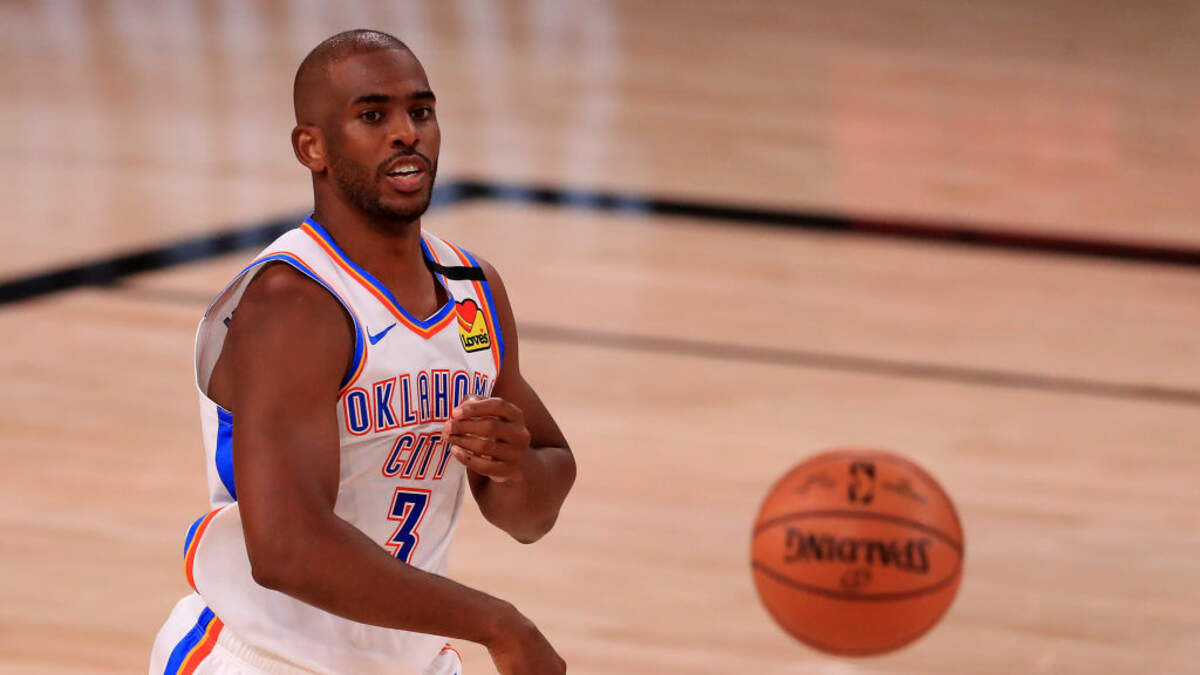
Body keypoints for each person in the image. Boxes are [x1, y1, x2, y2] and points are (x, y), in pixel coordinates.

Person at [149, 29, 575, 675]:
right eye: (373, 116)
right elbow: (287, 549)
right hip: (265, 661)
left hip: (410, 659)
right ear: (311, 147)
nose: (406, 133)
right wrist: (499, 624)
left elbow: (531, 512)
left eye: (421, 112)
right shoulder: (293, 303)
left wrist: (513, 468)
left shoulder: (472, 288)